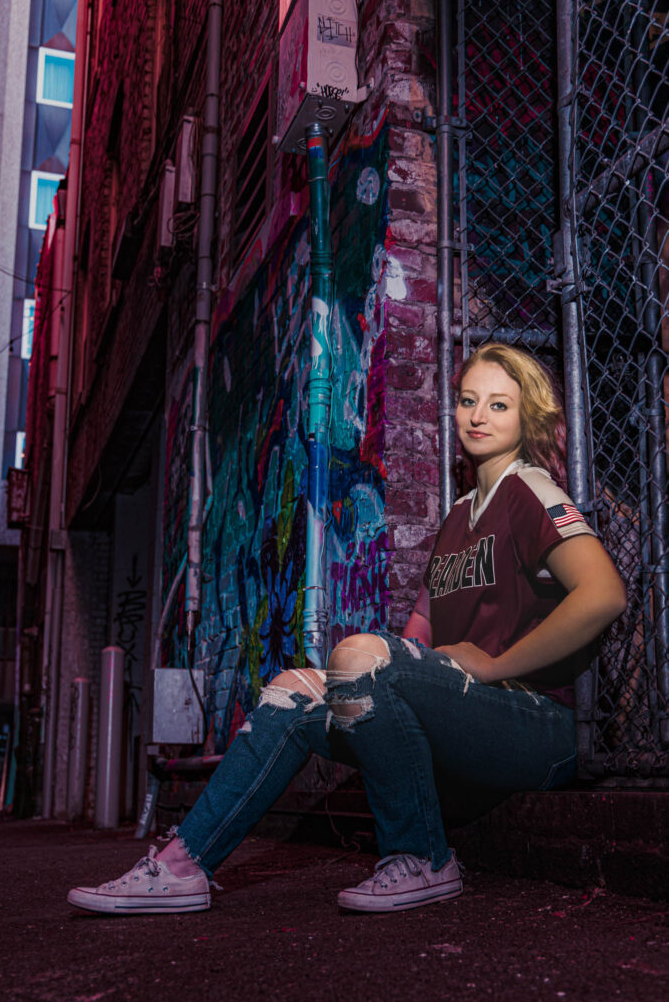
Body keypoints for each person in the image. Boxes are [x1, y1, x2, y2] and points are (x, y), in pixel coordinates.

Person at [67, 343, 626, 915]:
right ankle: (182, 866)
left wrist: (493, 665)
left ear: (525, 416)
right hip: (467, 717)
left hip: (537, 725)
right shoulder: (461, 513)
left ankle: (420, 857)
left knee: (359, 657)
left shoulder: (529, 490)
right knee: (292, 689)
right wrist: (360, 678)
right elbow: (421, 632)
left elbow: (604, 594)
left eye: (499, 404)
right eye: (467, 400)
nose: (478, 416)